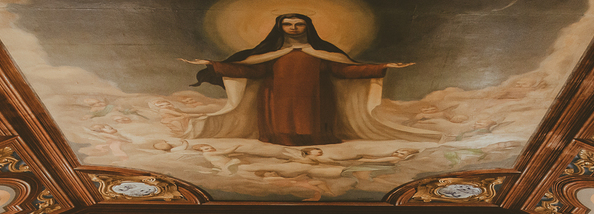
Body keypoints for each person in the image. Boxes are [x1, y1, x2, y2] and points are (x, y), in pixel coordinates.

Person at [181, 13, 434, 146]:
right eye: (288, 24)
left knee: (313, 121)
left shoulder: (322, 53)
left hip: (317, 94)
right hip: (275, 95)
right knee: (282, 124)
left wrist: (382, 66)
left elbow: (343, 71)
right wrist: (212, 65)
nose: (293, 28)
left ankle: (315, 142)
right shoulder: (270, 55)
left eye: (298, 24)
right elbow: (252, 71)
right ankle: (280, 139)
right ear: (280, 28)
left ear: (307, 27)